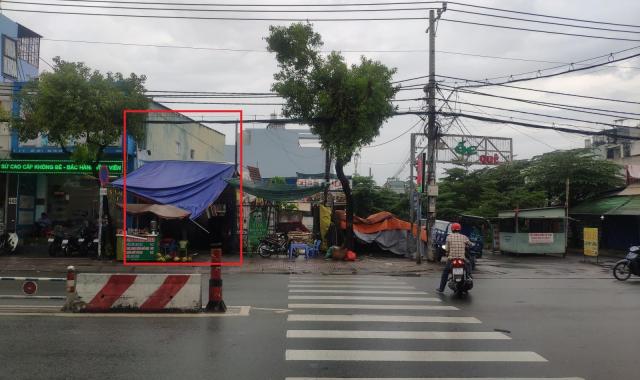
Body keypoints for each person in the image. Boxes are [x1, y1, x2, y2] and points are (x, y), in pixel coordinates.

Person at [436, 222, 472, 293]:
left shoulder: (449, 237)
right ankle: (468, 276)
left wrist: (447, 253)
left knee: (445, 273)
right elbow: (470, 244)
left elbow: (447, 249)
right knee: (468, 265)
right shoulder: (464, 237)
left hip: (451, 259)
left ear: (452, 229)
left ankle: (441, 288)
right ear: (459, 229)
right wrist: (469, 246)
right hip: (462, 258)